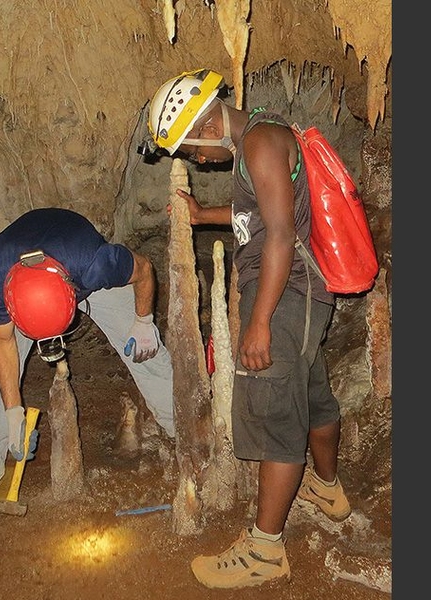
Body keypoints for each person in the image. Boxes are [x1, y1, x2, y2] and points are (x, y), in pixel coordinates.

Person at [145, 69, 351, 589]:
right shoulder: (260, 137)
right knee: (312, 398)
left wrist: (258, 322)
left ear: (208, 122)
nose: (198, 159)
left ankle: (265, 550)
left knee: (277, 415)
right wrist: (200, 216)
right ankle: (327, 488)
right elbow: (253, 215)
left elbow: (280, 235)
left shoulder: (259, 141)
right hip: (300, 300)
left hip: (283, 297)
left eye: (193, 149)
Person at [0, 207, 175, 533]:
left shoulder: (96, 264)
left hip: (79, 269)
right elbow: (3, 344)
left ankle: (187, 432)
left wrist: (143, 323)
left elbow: (144, 268)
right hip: (25, 280)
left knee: (148, 354)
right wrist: (13, 412)